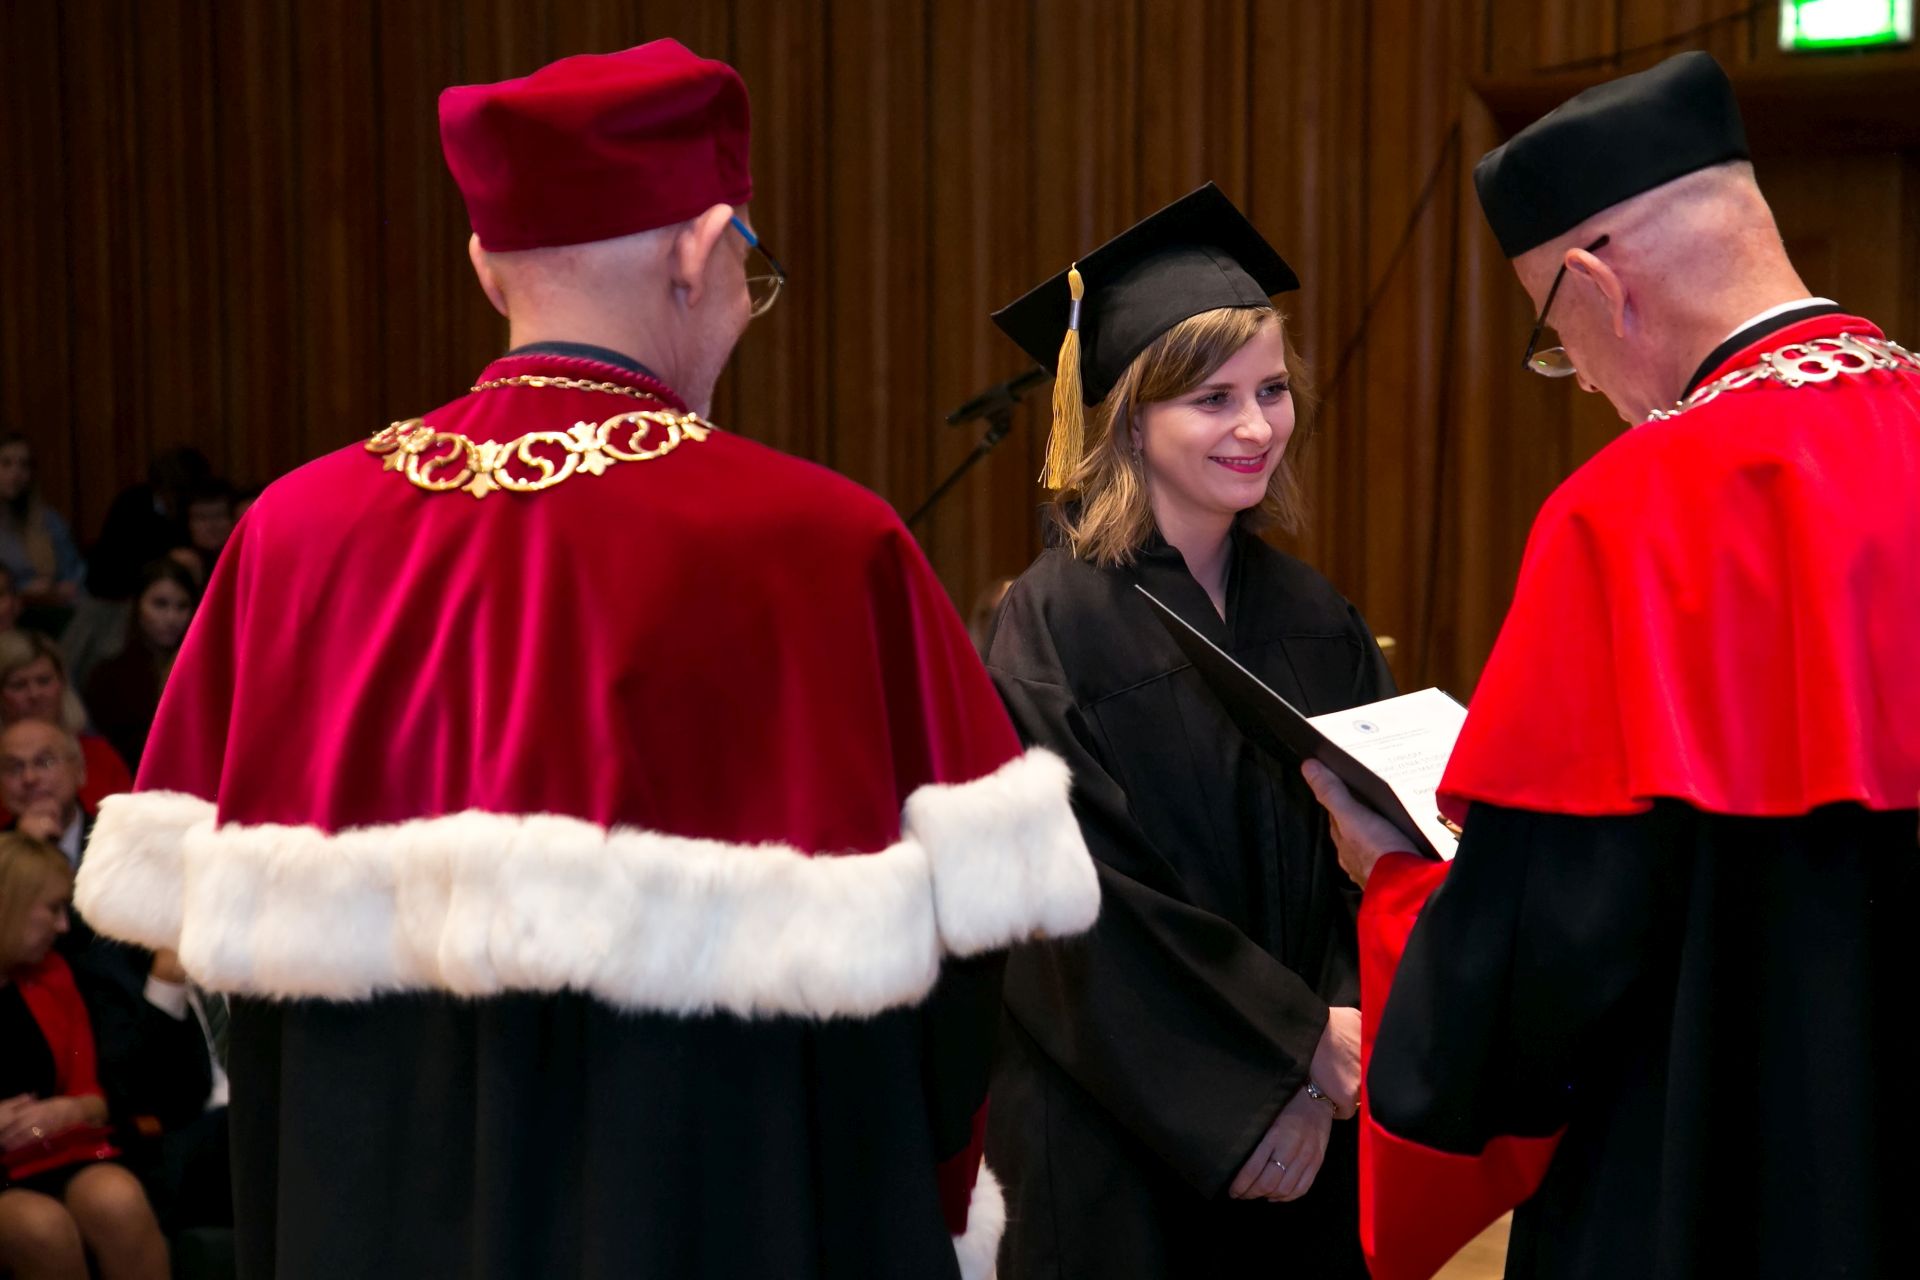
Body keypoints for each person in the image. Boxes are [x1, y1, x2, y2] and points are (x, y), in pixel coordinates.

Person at [73, 39, 1095, 1280]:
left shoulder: (290, 536)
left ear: (485, 262)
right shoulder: (823, 544)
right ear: (698, 248)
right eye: (748, 264)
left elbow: (221, 990)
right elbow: (958, 995)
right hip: (716, 1208)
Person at [1299, 52, 1920, 1280]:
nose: (1578, 376)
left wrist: (1400, 884)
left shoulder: (1634, 511)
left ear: (1596, 282)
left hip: (1717, 1176)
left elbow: (1549, 948)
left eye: (1553, 336)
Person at [981, 183, 1391, 1277]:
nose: (1257, 428)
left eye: (1273, 390)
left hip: (1317, 1140)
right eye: (1213, 399)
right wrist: (1287, 1050)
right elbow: (1071, 905)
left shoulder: (1316, 617)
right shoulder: (1051, 624)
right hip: (1118, 1142)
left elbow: (1376, 853)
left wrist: (1330, 1057)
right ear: (1130, 417)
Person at [0, 833, 170, 1280]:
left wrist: (67, 1110)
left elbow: (92, 1094)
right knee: (43, 1229)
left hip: (51, 1151)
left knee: (118, 1200)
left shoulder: (52, 974)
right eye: (53, 909)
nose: (64, 927)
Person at [0, 632, 133, 819]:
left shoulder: (99, 755)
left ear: (62, 684)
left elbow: (129, 822)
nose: (34, 694)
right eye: (19, 685)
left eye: (44, 681)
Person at [84, 561, 199, 772]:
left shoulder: (204, 670)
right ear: (137, 606)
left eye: (182, 606)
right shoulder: (108, 675)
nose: (172, 617)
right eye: (160, 604)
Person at [0, 435, 86, 623]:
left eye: (24, 465)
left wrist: (60, 590)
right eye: (6, 464)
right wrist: (24, 591)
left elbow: (75, 574)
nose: (16, 473)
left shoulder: (49, 521)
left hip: (53, 611)